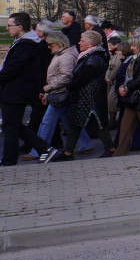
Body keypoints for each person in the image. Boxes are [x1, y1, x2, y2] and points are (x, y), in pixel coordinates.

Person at [47, 30, 117, 161]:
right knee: (80, 123)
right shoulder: (90, 56)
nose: (79, 42)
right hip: (87, 95)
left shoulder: (94, 58)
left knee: (89, 123)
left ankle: (109, 149)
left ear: (90, 44)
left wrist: (69, 87)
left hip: (90, 96)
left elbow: (83, 78)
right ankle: (70, 152)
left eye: (82, 40)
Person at [1, 13, 60, 165]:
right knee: (13, 125)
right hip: (15, 90)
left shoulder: (25, 45)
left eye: (9, 25)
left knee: (11, 127)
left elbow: (13, 68)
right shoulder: (23, 42)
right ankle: (44, 149)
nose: (7, 28)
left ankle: (10, 161)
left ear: (19, 27)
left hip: (16, 91)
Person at [26, 31, 91, 160]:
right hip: (59, 92)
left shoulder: (65, 56)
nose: (49, 47)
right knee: (69, 121)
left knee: (47, 122)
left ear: (58, 43)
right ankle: (85, 144)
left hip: (60, 92)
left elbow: (66, 77)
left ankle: (38, 150)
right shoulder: (62, 54)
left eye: (50, 44)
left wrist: (48, 88)